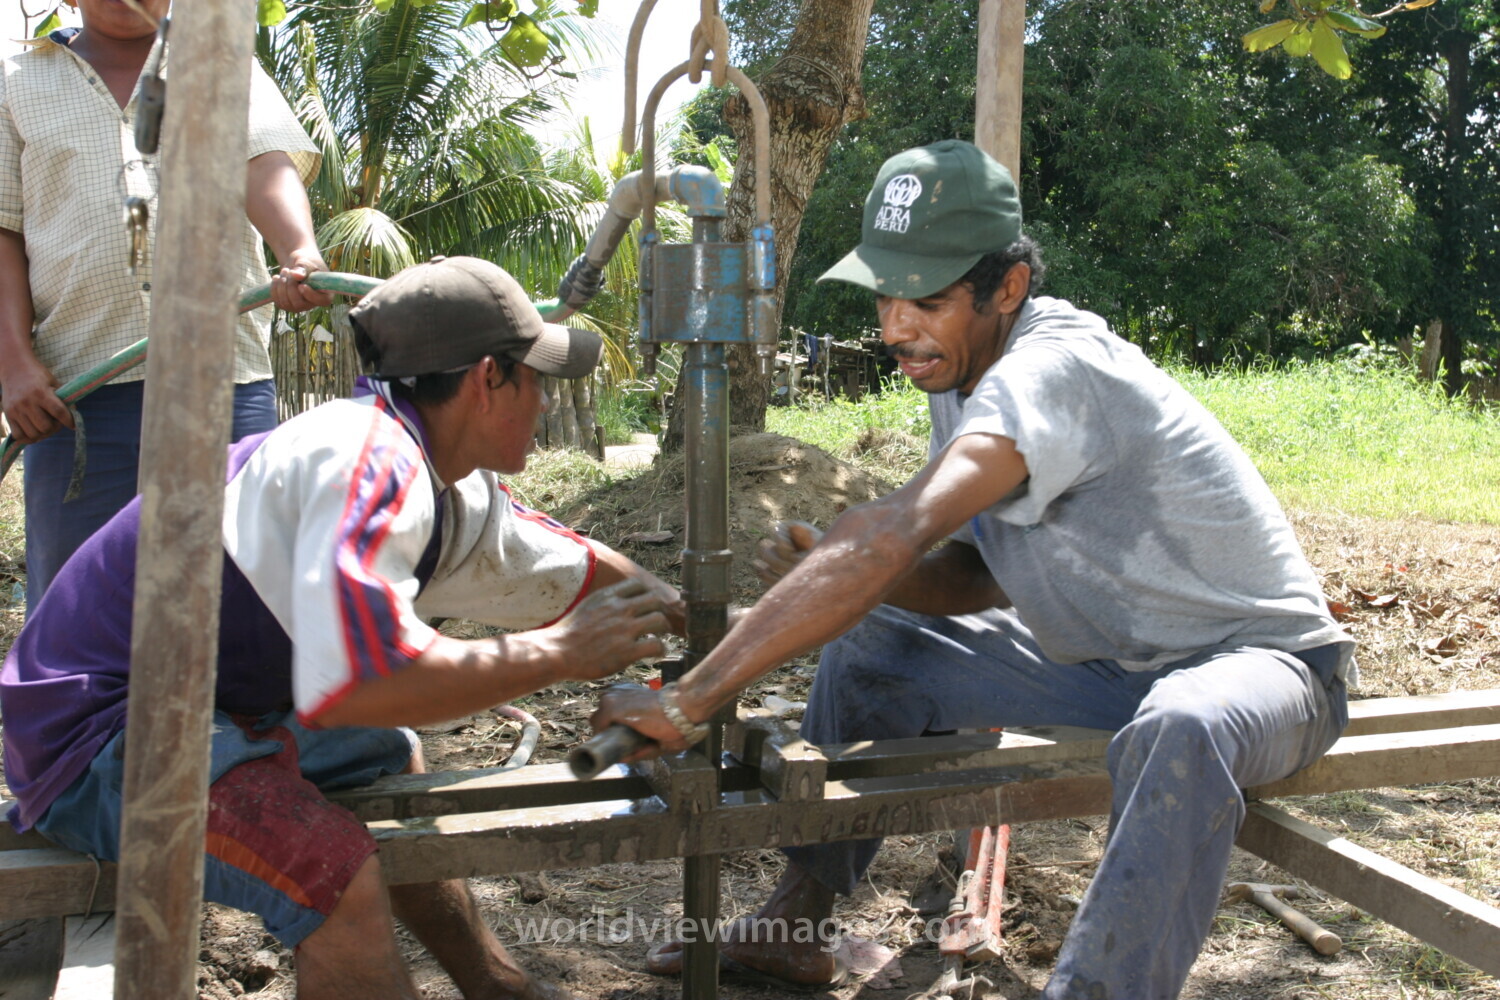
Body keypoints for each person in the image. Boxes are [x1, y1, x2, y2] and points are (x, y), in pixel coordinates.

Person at [590, 140, 1354, 999]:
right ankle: (793, 922)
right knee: (877, 637)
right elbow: (977, 578)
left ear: (1008, 289)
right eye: (885, 296)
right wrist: (850, 578)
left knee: (1183, 726)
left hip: (1268, 675)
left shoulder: (1052, 370)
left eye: (928, 300)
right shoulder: (961, 374)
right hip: (1114, 671)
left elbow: (896, 529)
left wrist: (689, 700)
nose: (895, 327)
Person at [2, 256, 687, 1000]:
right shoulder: (365, 462)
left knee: (389, 756)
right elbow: (356, 685)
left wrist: (713, 632)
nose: (546, 405)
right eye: (536, 380)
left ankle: (496, 986)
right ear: (488, 377)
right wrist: (558, 654)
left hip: (205, 704)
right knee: (336, 880)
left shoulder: (436, 471)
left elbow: (578, 564)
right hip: (99, 732)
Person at [0, 0, 333, 610]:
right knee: (81, 608)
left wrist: (300, 250)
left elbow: (263, 162)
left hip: (223, 380)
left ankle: (234, 713)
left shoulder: (221, 60)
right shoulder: (16, 81)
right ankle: (86, 711)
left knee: (242, 600)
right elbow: (4, 232)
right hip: (76, 398)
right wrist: (13, 364)